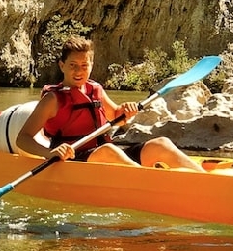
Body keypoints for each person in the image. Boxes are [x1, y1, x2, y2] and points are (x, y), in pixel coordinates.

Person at [15, 35, 204, 171]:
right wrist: (50, 153)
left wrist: (126, 111)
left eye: (84, 65)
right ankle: (150, 180)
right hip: (75, 159)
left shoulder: (95, 89)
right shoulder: (52, 99)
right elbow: (23, 138)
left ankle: (205, 180)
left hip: (106, 153)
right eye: (72, 65)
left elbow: (116, 117)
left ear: (91, 65)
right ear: (62, 65)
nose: (78, 71)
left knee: (161, 143)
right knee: (107, 150)